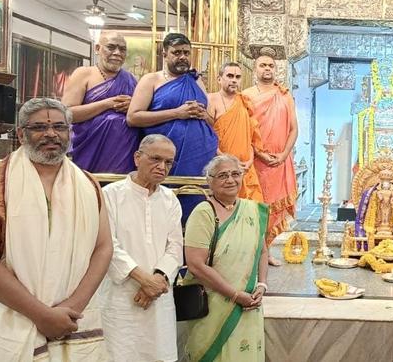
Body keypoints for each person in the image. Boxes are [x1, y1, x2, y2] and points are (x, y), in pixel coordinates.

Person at [0, 98, 112, 360]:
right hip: (13, 315)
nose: (51, 134)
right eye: (39, 128)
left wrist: (72, 307)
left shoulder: (88, 184)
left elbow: (103, 249)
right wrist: (41, 315)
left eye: (59, 126)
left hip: (73, 319)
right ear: (21, 134)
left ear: (69, 132)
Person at [101, 134, 183, 362]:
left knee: (159, 353)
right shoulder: (110, 195)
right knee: (118, 354)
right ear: (137, 157)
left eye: (168, 162)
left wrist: (157, 280)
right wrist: (143, 280)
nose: (162, 167)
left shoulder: (170, 200)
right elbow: (107, 244)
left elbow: (175, 247)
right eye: (156, 159)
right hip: (121, 296)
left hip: (159, 295)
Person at [183, 155, 269, 362]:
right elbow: (195, 265)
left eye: (235, 174)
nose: (230, 180)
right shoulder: (204, 213)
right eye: (222, 175)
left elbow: (263, 251)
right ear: (209, 181)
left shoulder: (252, 211)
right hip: (214, 308)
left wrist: (262, 285)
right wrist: (235, 295)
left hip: (249, 304)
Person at [127, 32, 218, 220]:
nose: (182, 57)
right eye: (177, 52)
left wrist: (204, 115)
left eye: (186, 52)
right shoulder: (151, 80)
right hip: (166, 158)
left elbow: (210, 121)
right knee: (165, 211)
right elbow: (133, 117)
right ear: (165, 54)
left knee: (197, 208)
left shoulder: (196, 80)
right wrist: (177, 113)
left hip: (199, 158)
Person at [242, 52, 298, 266]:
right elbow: (244, 130)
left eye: (271, 66)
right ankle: (253, 255)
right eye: (263, 65)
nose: (267, 69)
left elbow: (294, 129)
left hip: (280, 161)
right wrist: (261, 154)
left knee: (275, 210)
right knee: (256, 207)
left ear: (276, 70)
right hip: (256, 161)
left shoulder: (284, 95)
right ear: (255, 69)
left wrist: (283, 154)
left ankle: (267, 253)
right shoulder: (246, 96)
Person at [63, 30, 139, 174]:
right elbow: (67, 113)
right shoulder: (84, 73)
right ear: (98, 49)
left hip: (124, 152)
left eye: (122, 49)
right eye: (111, 47)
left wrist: (133, 106)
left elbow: (139, 114)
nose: (117, 53)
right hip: (90, 150)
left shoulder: (130, 79)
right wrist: (107, 104)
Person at [207, 62, 264, 202]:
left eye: (238, 77)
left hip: (245, 168)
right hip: (222, 166)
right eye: (230, 76)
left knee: (251, 211)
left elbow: (250, 137)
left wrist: (250, 160)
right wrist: (229, 162)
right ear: (219, 79)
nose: (234, 80)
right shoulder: (211, 100)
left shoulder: (245, 101)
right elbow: (206, 137)